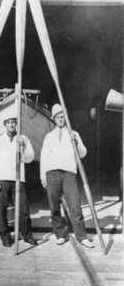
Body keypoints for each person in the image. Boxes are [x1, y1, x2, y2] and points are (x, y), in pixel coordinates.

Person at [40, 103, 94, 248]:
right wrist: (42, 176)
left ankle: (82, 237)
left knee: (75, 205)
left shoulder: (74, 134)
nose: (61, 119)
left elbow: (83, 154)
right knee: (54, 205)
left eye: (63, 116)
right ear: (54, 119)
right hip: (52, 173)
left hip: (69, 173)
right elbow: (44, 157)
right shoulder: (49, 136)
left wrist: (76, 143)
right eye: (58, 117)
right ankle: (60, 234)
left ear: (66, 117)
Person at [0, 111, 37, 247]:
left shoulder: (23, 138)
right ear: (5, 124)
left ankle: (27, 236)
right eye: (8, 122)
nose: (11, 125)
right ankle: (5, 237)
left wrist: (23, 145)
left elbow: (29, 158)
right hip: (3, 178)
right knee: (1, 210)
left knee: (23, 210)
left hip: (18, 179)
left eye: (13, 122)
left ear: (16, 124)